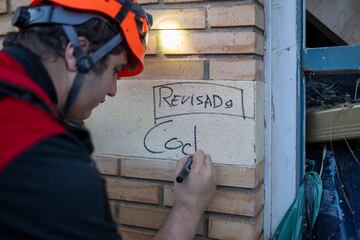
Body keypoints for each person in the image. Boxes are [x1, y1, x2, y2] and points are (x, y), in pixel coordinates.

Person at [0, 0, 217, 239]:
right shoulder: (49, 164)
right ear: (77, 52)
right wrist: (189, 206)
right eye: (115, 70)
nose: (113, 89)